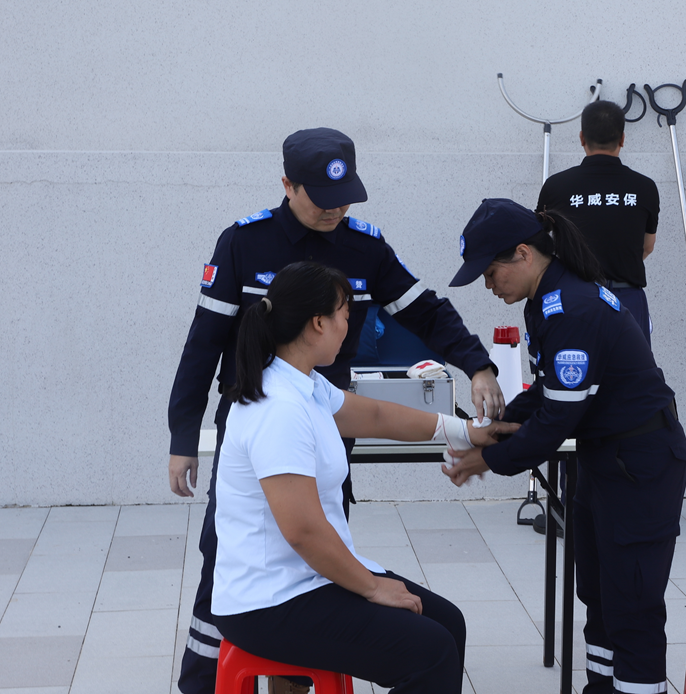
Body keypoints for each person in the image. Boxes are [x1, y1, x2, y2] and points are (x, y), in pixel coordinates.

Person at [169, 127, 505, 694]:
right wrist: (183, 435)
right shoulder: (245, 245)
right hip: (268, 460)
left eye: (344, 197)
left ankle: (297, 674)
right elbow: (203, 344)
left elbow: (400, 359)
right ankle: (204, 683)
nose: (335, 209)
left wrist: (472, 394)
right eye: (322, 199)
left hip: (321, 425)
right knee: (234, 549)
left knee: (326, 532)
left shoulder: (359, 259)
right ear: (288, 186)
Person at [212, 261, 517, 693]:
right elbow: (302, 531)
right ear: (318, 323)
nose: (349, 325)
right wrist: (371, 587)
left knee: (448, 623)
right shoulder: (279, 409)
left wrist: (466, 431)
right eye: (344, 314)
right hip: (268, 600)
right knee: (431, 652)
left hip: (307, 579)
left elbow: (374, 415)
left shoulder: (305, 384)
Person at [442, 199, 686, 694]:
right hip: (607, 460)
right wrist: (499, 425)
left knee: (632, 604)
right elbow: (549, 390)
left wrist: (488, 457)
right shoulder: (547, 300)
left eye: (490, 273)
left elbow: (558, 418)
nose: (489, 286)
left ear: (523, 254)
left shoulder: (573, 308)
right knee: (598, 594)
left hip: (640, 465)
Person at [537, 99, 659, 347]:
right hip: (628, 299)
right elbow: (647, 247)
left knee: (574, 367)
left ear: (582, 137)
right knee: (633, 369)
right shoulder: (645, 187)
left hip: (573, 297)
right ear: (622, 139)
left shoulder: (556, 186)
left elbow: (539, 245)